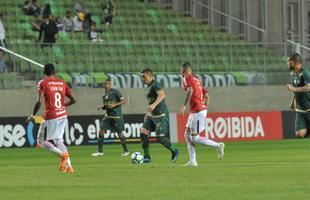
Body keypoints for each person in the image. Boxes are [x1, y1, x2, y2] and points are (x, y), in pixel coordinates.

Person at [26, 64, 76, 173]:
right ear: (54, 72)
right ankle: (69, 167)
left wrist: (33, 115)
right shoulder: (62, 83)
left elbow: (38, 101)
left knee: (41, 140)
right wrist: (63, 105)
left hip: (51, 116)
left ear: (44, 72)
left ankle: (62, 155)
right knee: (58, 140)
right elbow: (73, 100)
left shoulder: (43, 83)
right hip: (63, 115)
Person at [180, 63, 224, 167]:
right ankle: (193, 161)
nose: (180, 73)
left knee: (195, 138)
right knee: (187, 134)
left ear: (184, 71)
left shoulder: (187, 78)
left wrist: (184, 106)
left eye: (181, 71)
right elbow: (207, 96)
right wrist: (204, 108)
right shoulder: (197, 80)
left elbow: (190, 90)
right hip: (197, 111)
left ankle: (218, 145)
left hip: (197, 111)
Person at [140, 68, 179, 163]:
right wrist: (149, 113)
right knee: (143, 133)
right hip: (152, 116)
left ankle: (175, 150)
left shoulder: (155, 84)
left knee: (160, 137)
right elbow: (152, 102)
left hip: (161, 115)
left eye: (144, 77)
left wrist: (153, 105)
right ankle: (147, 157)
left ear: (150, 76)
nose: (142, 79)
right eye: (141, 77)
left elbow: (162, 95)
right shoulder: (149, 87)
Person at [91, 79, 129, 157]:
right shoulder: (104, 95)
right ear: (103, 85)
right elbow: (107, 106)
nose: (107, 85)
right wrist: (101, 107)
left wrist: (115, 104)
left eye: (108, 84)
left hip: (116, 116)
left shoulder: (115, 92)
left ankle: (126, 151)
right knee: (101, 131)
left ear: (110, 85)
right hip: (108, 116)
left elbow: (124, 101)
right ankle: (100, 151)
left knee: (120, 133)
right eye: (105, 84)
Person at [287, 53, 310, 138]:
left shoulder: (305, 73)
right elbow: (295, 90)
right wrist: (293, 101)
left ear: (293, 62)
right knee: (299, 134)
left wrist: (294, 89)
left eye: (288, 62)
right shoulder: (293, 75)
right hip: (300, 110)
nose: (287, 64)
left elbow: (308, 88)